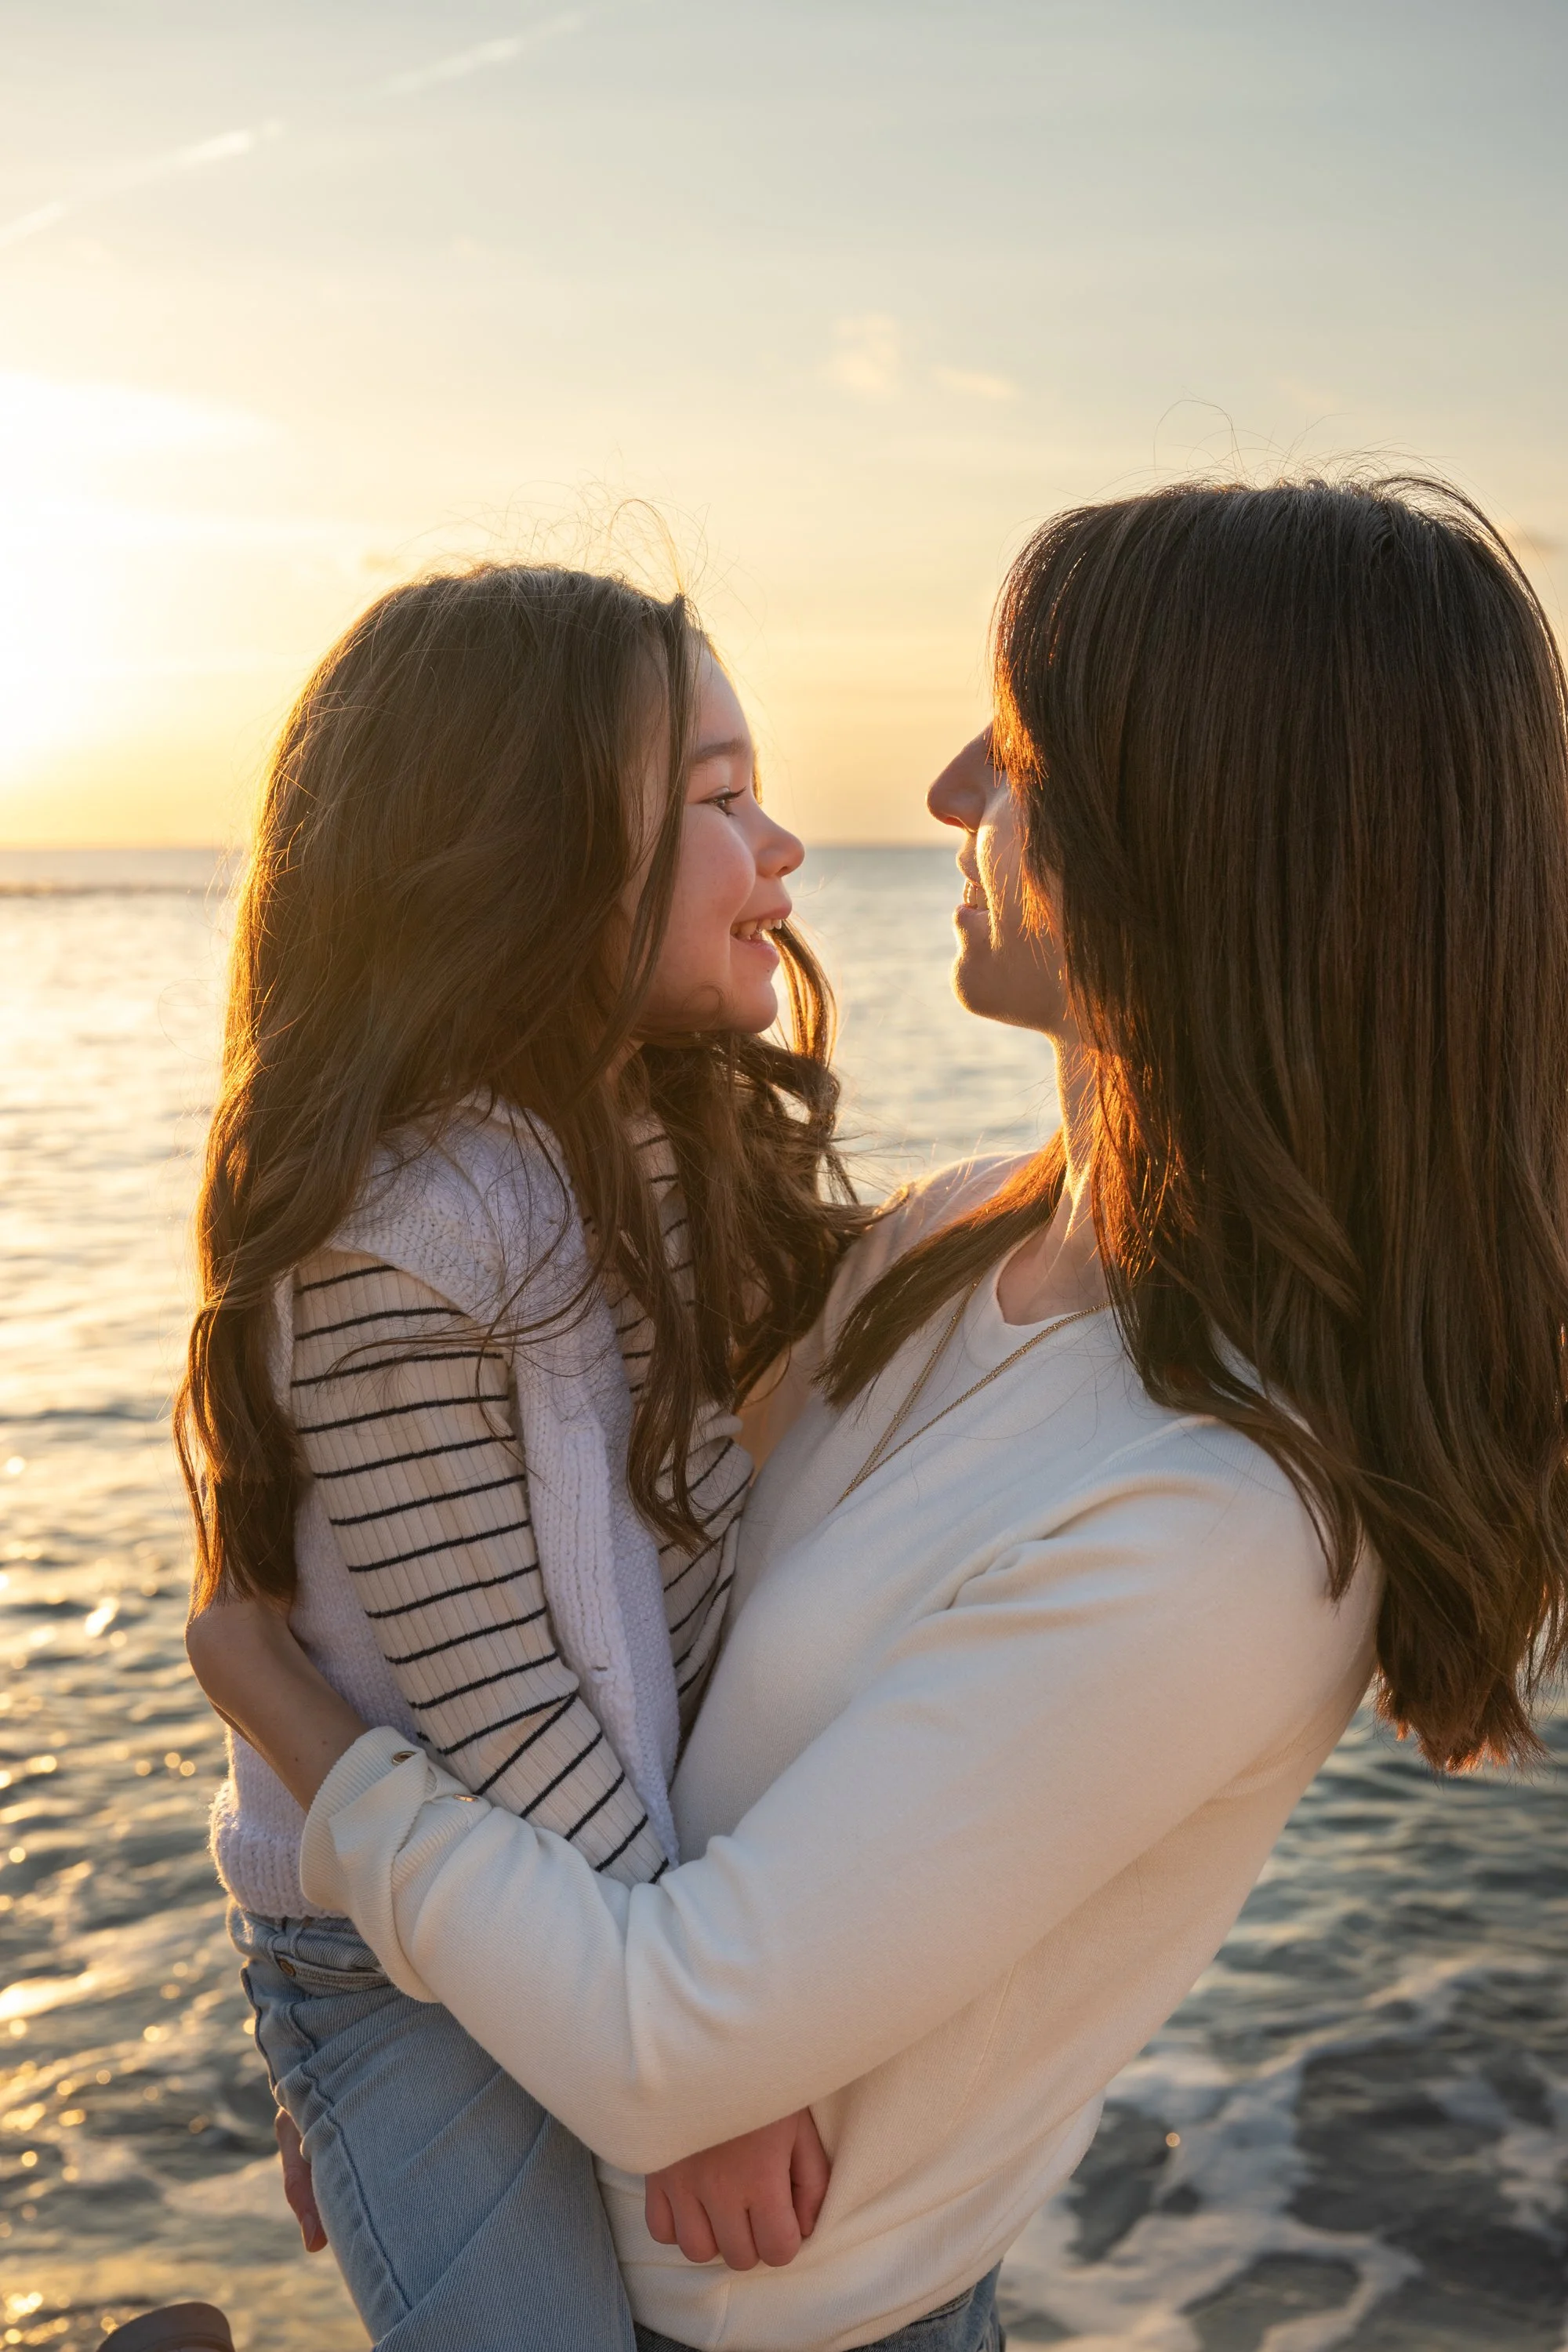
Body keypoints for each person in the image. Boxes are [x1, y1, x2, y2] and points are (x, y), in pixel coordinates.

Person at [190, 475, 1568, 2352]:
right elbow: (559, 1573)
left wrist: (289, 1725)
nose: (934, 792)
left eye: (1017, 748)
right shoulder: (952, 1243)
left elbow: (672, 2046)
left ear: (1208, 840)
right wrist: (373, 2055)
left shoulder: (1224, 1520)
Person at [175, 561, 867, 2350]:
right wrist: (699, 2072)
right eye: (717, 799)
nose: (781, 845)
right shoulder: (404, 1234)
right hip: (414, 1960)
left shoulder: (655, 1131)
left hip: (603, 1897)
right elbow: (497, 1708)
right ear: (523, 863)